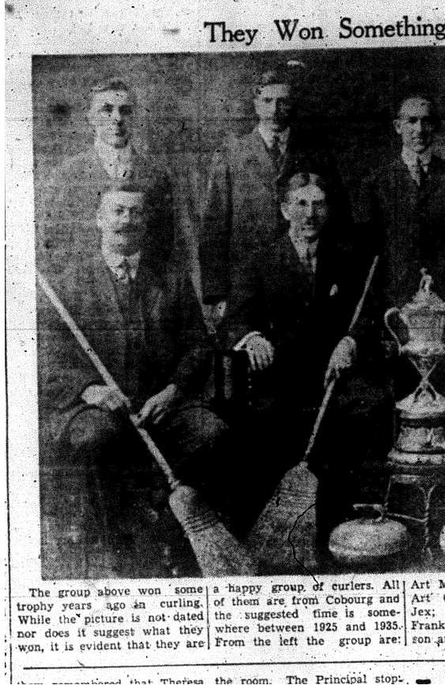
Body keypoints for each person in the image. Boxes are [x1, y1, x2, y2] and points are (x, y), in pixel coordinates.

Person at [38, 184, 229, 578]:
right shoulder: (69, 283)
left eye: (136, 212)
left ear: (146, 222)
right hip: (97, 407)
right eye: (118, 211)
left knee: (211, 432)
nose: (127, 220)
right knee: (94, 437)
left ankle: (171, 530)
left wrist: (172, 391)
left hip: (162, 405)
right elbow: (47, 356)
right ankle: (114, 542)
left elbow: (198, 346)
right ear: (99, 220)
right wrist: (90, 390)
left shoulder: (171, 279)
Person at [223, 172, 389, 550]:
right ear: (285, 210)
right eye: (301, 204)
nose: (310, 213)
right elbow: (234, 321)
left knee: (369, 405)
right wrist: (253, 339)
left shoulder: (347, 257)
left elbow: (368, 311)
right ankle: (271, 532)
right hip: (280, 376)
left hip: (334, 373)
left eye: (318, 204)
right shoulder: (260, 260)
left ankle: (344, 517)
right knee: (265, 425)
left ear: (328, 210)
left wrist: (349, 341)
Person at [358, 93, 445, 401]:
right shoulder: (376, 182)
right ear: (397, 126)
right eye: (411, 121)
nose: (419, 129)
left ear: (436, 127)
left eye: (427, 121)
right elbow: (366, 252)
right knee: (401, 397)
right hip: (396, 309)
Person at [199, 62, 346, 319]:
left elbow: (337, 219)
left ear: (293, 104)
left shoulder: (316, 153)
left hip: (305, 282)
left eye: (283, 102)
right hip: (246, 285)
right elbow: (214, 228)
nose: (275, 110)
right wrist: (217, 295)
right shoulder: (230, 154)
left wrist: (336, 278)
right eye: (267, 101)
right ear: (256, 104)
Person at [37, 77, 174, 280]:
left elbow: (164, 247)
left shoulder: (156, 177)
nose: (117, 118)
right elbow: (51, 244)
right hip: (84, 289)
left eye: (125, 111)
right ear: (91, 118)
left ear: (135, 117)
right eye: (107, 110)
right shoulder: (67, 175)